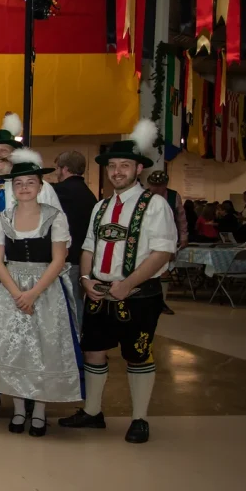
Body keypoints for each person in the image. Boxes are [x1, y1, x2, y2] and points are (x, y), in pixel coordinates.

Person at [59, 119, 176, 444]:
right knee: (93, 351)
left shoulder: (154, 206)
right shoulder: (101, 207)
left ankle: (139, 419)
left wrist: (129, 283)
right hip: (99, 293)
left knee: (137, 354)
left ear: (138, 168)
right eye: (113, 166)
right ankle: (93, 412)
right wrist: (85, 278)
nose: (117, 171)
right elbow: (87, 248)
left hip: (138, 295)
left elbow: (163, 251)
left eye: (124, 165)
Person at [0, 149, 82, 438]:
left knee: (44, 349)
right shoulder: (2, 218)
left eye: (30, 182)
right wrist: (17, 293)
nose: (24, 187)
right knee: (14, 348)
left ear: (41, 186)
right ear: (12, 189)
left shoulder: (55, 217)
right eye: (19, 184)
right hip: (11, 287)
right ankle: (18, 409)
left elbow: (58, 259)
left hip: (46, 288)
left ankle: (39, 411)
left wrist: (33, 293)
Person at [0, 112, 62, 413]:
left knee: (33, 337)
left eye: (3, 151)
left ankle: (34, 396)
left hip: (32, 274)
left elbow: (57, 238)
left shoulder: (41, 189)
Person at [52, 150, 99, 331]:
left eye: (57, 169)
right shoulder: (90, 196)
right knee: (77, 302)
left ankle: (72, 347)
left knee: (66, 306)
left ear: (64, 169)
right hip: (84, 260)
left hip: (64, 260)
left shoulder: (58, 192)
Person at [145, 170, 187, 315]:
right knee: (145, 269)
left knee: (163, 270)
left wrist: (183, 236)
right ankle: (147, 300)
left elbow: (181, 217)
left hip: (166, 238)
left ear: (165, 185)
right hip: (146, 239)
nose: (156, 188)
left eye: (160, 185)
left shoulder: (174, 196)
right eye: (154, 185)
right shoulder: (142, 196)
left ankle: (161, 302)